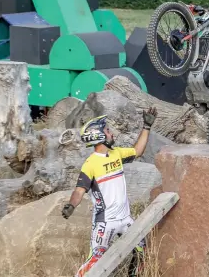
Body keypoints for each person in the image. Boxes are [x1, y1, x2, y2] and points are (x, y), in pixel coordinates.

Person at [61, 107, 158, 277]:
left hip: (126, 218)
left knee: (141, 249)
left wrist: (147, 126)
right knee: (95, 261)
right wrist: (71, 205)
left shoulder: (117, 153)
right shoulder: (90, 164)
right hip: (105, 223)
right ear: (98, 136)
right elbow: (79, 190)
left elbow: (138, 151)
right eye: (107, 130)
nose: (111, 133)